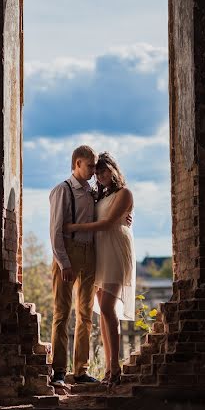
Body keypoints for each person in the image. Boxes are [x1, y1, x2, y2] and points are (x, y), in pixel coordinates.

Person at [64, 152, 136, 387]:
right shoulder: (99, 196)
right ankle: (108, 368)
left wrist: (74, 226)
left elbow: (106, 224)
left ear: (114, 170)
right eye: (98, 172)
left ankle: (115, 367)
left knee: (107, 307)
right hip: (99, 253)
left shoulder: (124, 193)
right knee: (103, 314)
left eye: (105, 171)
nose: (102, 175)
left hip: (115, 252)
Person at [49, 145, 99, 387]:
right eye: (90, 166)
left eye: (94, 166)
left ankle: (81, 371)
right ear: (77, 163)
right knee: (61, 313)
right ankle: (58, 371)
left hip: (90, 254)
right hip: (68, 252)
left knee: (86, 315)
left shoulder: (93, 191)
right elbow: (56, 231)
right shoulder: (63, 190)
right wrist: (64, 263)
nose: (93, 171)